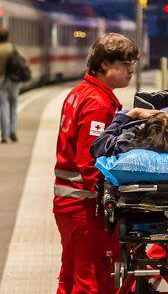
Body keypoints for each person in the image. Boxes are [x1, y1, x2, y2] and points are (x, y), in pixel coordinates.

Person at [53, 33, 139, 294]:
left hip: (69, 205)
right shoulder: (97, 104)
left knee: (70, 277)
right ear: (104, 65)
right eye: (125, 64)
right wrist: (111, 198)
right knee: (90, 282)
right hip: (85, 207)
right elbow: (89, 162)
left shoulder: (80, 93)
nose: (131, 70)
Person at [0, 28, 20, 143]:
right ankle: (13, 130)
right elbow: (22, 62)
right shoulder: (12, 48)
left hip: (1, 80)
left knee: (3, 107)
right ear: (7, 37)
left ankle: (4, 135)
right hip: (14, 81)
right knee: (14, 106)